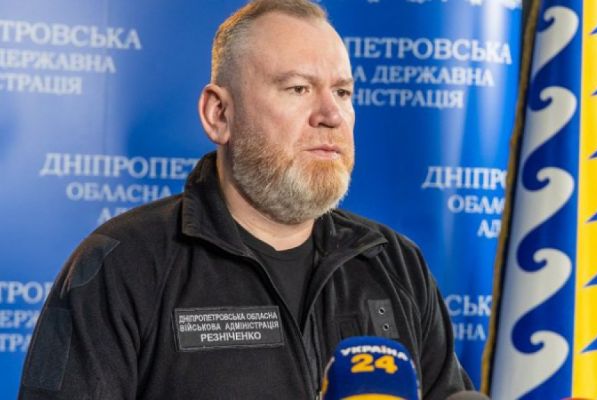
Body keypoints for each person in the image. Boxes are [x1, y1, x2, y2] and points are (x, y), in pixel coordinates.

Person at [19, 1, 473, 399]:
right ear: (219, 114)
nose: (331, 114)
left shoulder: (395, 264)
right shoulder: (122, 267)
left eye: (342, 92)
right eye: (298, 88)